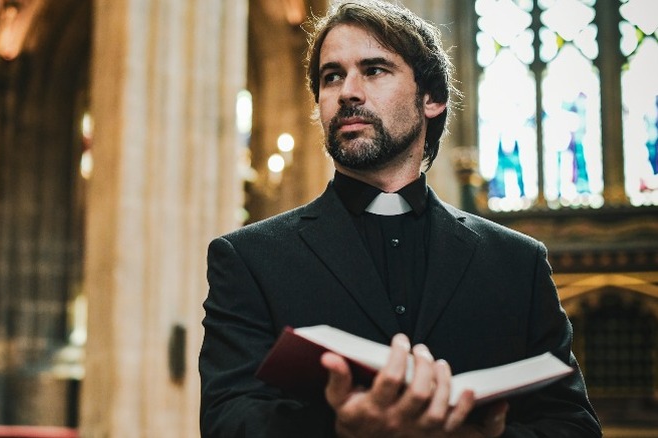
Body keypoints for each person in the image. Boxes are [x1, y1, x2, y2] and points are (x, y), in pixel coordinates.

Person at [199, 0, 602, 436]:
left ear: (432, 99)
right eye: (332, 76)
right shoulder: (249, 258)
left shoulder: (516, 262)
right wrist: (345, 429)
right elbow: (228, 421)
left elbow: (574, 425)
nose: (348, 91)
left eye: (374, 70)